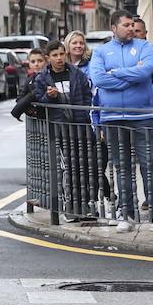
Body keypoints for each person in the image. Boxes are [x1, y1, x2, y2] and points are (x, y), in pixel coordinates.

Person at [89, 11, 153, 232]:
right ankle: (126, 213)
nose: (131, 28)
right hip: (112, 117)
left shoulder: (145, 46)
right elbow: (99, 79)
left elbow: (146, 72)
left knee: (150, 165)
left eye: (132, 25)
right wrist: (131, 77)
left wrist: (116, 73)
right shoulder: (101, 51)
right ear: (113, 27)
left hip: (142, 116)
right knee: (122, 168)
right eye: (126, 25)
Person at [34, 41, 95, 215]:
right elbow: (40, 103)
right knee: (66, 168)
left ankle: (85, 205)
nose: (59, 58)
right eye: (55, 55)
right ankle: (70, 206)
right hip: (59, 130)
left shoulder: (77, 74)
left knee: (82, 166)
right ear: (48, 58)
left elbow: (86, 97)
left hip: (79, 127)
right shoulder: (42, 79)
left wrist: (83, 118)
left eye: (61, 54)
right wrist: (49, 96)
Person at [10, 47, 47, 121]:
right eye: (33, 62)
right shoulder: (29, 79)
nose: (36, 64)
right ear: (29, 64)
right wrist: (29, 110)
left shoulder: (49, 77)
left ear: (46, 61)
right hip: (36, 121)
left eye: (40, 61)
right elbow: (20, 97)